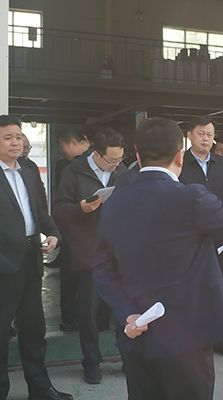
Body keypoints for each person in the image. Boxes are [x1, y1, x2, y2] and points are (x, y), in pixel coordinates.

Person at [92, 118, 223, 400]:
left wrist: (126, 313)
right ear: (180, 156)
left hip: (137, 330)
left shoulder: (113, 202)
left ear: (137, 156)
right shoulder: (190, 198)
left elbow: (101, 267)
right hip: (188, 335)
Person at [0, 115, 73, 400]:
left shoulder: (28, 170)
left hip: (31, 259)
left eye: (18, 136)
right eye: (8, 137)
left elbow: (40, 210)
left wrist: (52, 232)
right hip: (3, 264)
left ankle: (40, 389)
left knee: (33, 328)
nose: (15, 142)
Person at [54, 127, 127, 384]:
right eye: (112, 160)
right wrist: (80, 209)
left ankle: (127, 358)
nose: (116, 164)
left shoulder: (122, 172)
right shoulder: (73, 171)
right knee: (89, 312)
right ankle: (92, 362)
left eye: (120, 159)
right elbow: (59, 210)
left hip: (118, 252)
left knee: (123, 309)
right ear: (96, 154)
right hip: (89, 252)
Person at [178, 116, 223, 359]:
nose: (206, 138)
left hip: (218, 237)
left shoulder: (222, 164)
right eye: (201, 133)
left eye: (210, 135)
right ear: (189, 135)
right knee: (189, 289)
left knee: (217, 289)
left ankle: (219, 340)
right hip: (188, 238)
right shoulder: (179, 162)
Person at [55, 127, 91, 332]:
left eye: (62, 146)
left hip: (77, 233)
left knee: (73, 280)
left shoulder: (69, 167)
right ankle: (74, 319)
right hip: (75, 232)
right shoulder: (67, 166)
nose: (62, 151)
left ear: (72, 143)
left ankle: (72, 319)